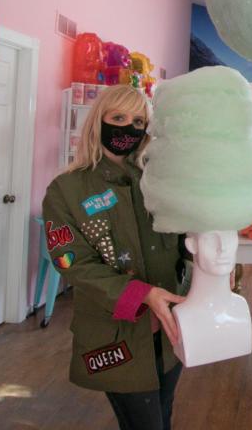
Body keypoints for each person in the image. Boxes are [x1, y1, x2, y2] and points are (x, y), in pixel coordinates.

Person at [42, 84, 187, 430]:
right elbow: (70, 262)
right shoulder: (67, 190)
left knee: (164, 412)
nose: (128, 128)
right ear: (98, 121)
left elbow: (181, 238)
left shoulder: (155, 182)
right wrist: (142, 295)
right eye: (118, 117)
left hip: (168, 332)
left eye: (138, 121)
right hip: (116, 335)